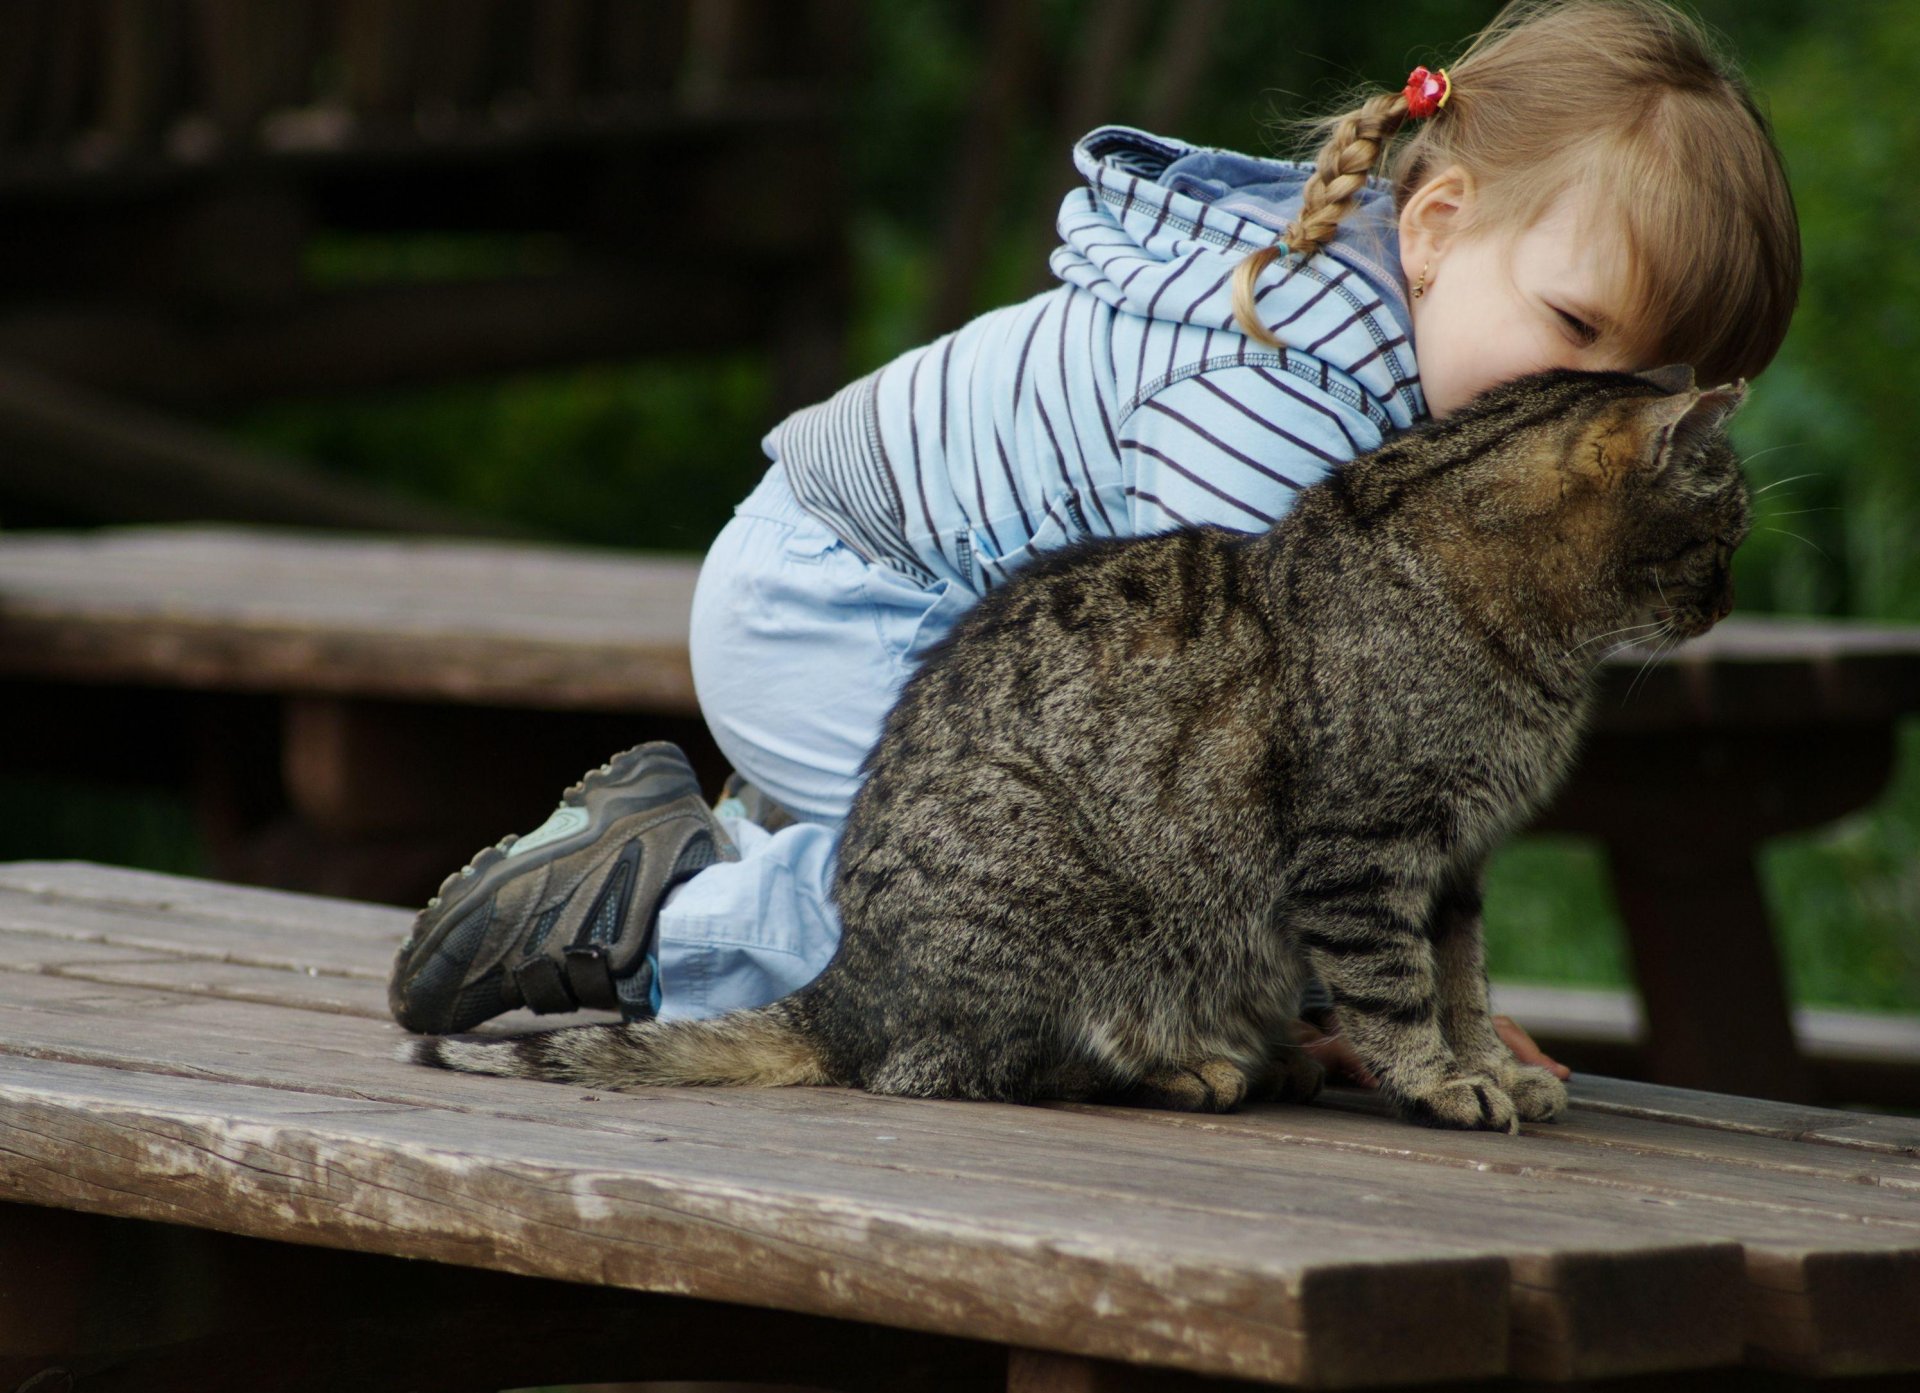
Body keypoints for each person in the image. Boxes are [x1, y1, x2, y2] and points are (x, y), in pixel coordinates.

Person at [388, 0, 1799, 1091]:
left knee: (1042, 897)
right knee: (989, 930)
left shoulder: (1400, 350)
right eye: (1575, 327)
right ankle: (652, 910)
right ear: (1433, 225)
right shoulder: (1291, 391)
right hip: (843, 593)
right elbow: (1249, 769)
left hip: (920, 611)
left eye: (1645, 387)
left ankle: (722, 841)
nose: (1597, 411)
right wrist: (1377, 1009)